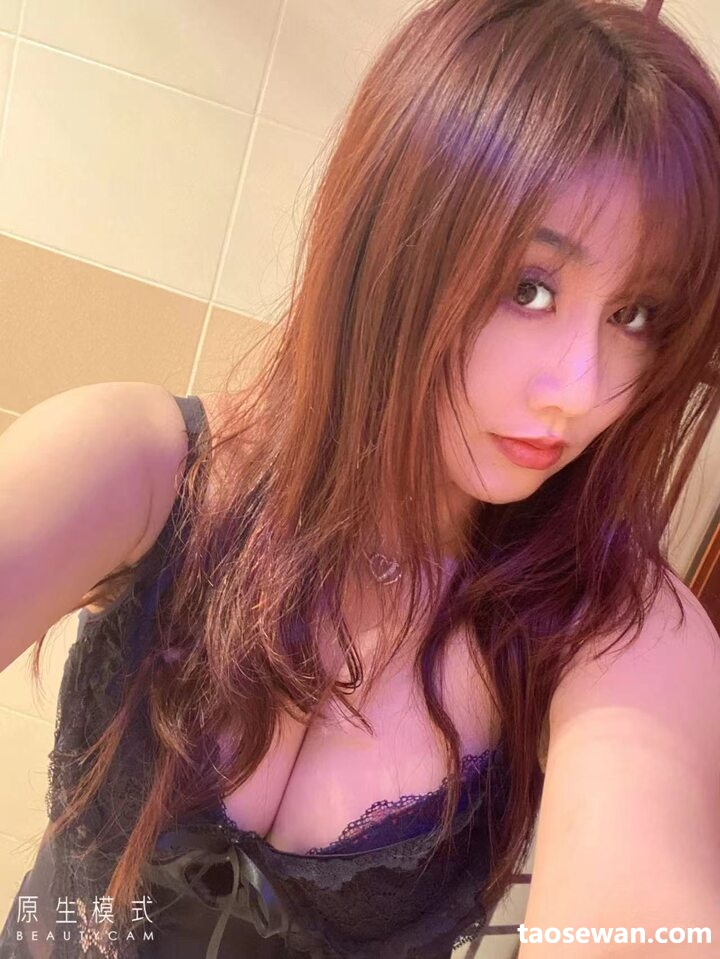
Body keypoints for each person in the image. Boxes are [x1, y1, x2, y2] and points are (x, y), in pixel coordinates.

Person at [2, 0, 720, 956]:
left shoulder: (617, 632)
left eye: (634, 314)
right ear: (394, 237)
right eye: (530, 288)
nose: (584, 389)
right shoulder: (139, 467)